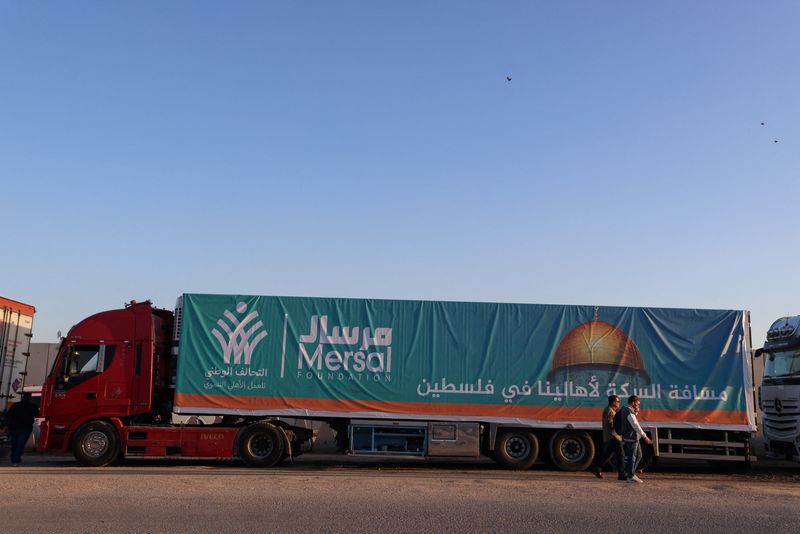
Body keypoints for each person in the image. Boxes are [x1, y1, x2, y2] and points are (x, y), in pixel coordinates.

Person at [590, 395, 626, 480]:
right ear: (613, 402)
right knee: (621, 454)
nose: (619, 403)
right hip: (613, 437)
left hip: (609, 437)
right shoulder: (610, 411)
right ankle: (622, 474)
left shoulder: (609, 410)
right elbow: (611, 423)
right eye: (618, 401)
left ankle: (597, 468)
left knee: (607, 455)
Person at [618, 394, 652, 483]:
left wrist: (636, 412)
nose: (638, 405)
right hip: (631, 437)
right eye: (637, 404)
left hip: (634, 437)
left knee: (639, 455)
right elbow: (635, 425)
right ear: (633, 403)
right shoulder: (628, 411)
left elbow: (633, 422)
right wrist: (645, 436)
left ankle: (631, 473)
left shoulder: (630, 410)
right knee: (632, 457)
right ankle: (630, 476)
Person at [5, 393, 39, 466]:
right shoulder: (32, 406)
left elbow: (8, 416)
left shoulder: (16, 405)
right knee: (20, 444)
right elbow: (37, 414)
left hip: (15, 428)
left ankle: (14, 458)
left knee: (15, 443)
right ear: (30, 398)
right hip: (25, 428)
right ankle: (16, 460)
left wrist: (8, 425)